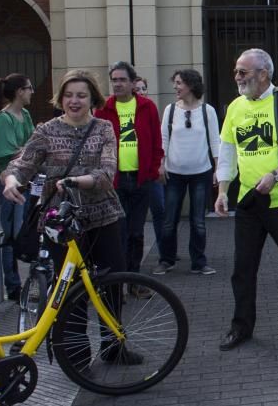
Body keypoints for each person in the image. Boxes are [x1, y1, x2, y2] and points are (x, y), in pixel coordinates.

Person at [2, 69, 141, 365]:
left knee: (112, 284)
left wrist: (77, 181)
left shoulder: (103, 128)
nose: (74, 101)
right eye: (68, 95)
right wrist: (12, 181)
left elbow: (106, 174)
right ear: (60, 98)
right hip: (61, 225)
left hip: (103, 216)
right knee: (70, 291)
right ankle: (78, 357)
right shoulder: (46, 131)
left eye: (81, 95)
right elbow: (22, 165)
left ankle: (114, 345)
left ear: (92, 98)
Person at [215, 48, 278, 351]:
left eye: (243, 72)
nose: (237, 77)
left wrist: (276, 174)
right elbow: (228, 150)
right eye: (236, 71)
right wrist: (223, 190)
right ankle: (241, 327)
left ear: (263, 74)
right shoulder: (235, 107)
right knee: (243, 269)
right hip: (249, 201)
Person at [94, 62, 162, 298]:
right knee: (117, 233)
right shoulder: (103, 109)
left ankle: (134, 281)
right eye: (114, 79)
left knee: (136, 232)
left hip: (141, 179)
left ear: (133, 83)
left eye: (122, 79)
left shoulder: (147, 107)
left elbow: (156, 142)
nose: (118, 84)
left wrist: (152, 172)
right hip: (115, 180)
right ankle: (115, 284)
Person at [155, 69, 220, 276]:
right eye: (175, 83)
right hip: (174, 173)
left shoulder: (207, 111)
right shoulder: (170, 110)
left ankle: (199, 262)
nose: (175, 87)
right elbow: (163, 139)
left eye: (179, 83)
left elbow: (215, 141)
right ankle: (167, 260)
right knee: (169, 221)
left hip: (201, 172)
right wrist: (161, 164)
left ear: (191, 85)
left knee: (198, 221)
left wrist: (218, 168)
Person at [0, 73, 35, 301]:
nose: (32, 92)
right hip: (8, 182)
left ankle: (30, 282)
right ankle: (13, 286)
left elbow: (33, 145)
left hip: (27, 181)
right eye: (29, 88)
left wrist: (25, 149)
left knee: (24, 231)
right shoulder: (3, 119)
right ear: (19, 92)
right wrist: (25, 150)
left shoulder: (24, 115)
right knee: (10, 235)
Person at [133, 76, 166, 255]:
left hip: (151, 172)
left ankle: (164, 251)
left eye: (143, 88)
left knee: (159, 210)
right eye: (137, 89)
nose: (140, 92)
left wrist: (160, 164)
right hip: (131, 172)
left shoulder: (151, 110)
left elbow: (158, 141)